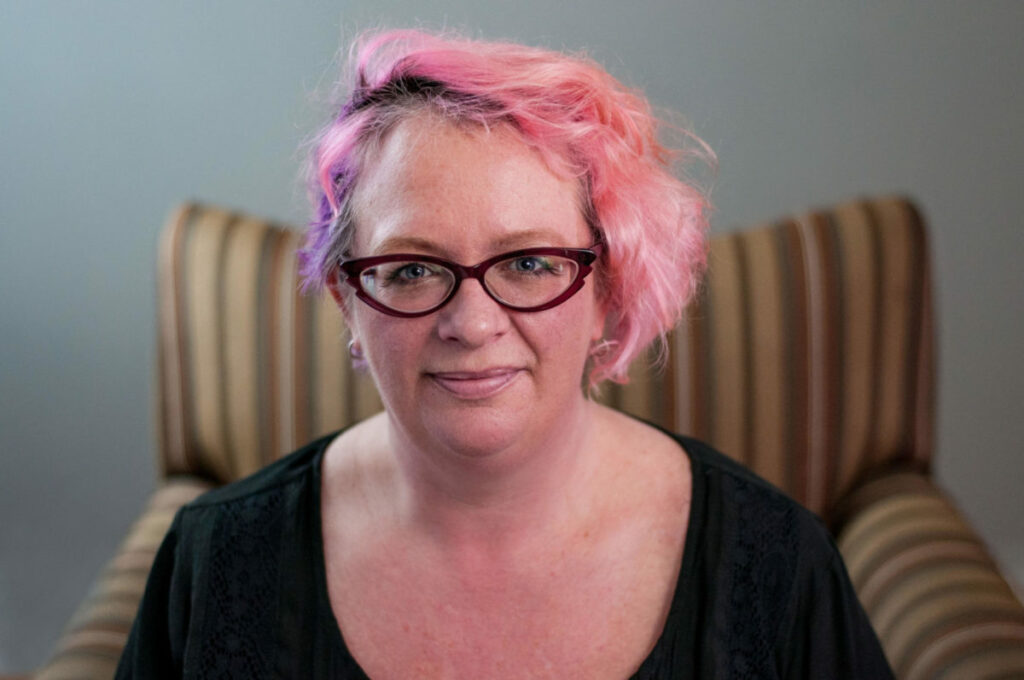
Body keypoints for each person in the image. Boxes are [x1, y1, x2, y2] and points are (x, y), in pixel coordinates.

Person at [117, 29, 894, 679]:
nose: (473, 322)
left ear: (606, 292)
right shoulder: (215, 562)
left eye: (528, 263)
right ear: (347, 302)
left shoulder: (777, 568)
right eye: (413, 269)